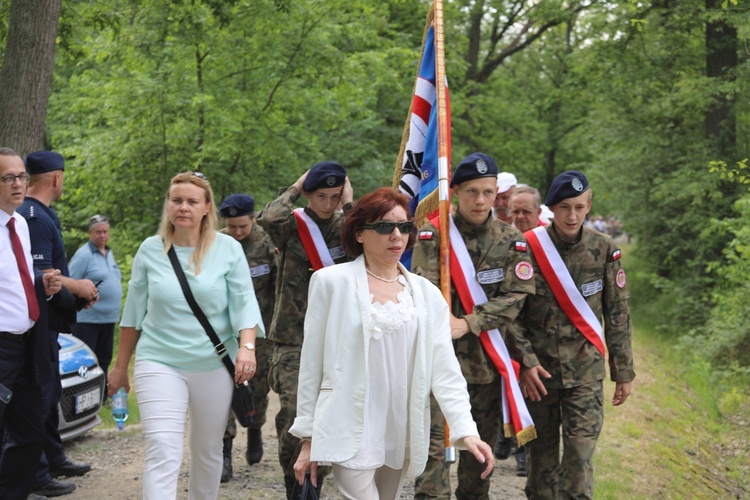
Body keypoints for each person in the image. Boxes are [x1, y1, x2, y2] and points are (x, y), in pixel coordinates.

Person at [290, 187, 495, 499]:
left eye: (404, 227)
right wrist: (307, 438)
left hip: (401, 426)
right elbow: (311, 365)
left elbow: (445, 370)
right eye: (385, 227)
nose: (397, 236)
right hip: (348, 424)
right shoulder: (331, 282)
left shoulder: (426, 293)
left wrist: (467, 430)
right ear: (359, 233)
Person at [107, 171, 264, 499]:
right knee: (162, 447)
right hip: (159, 360)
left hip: (213, 364)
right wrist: (120, 368)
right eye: (176, 200)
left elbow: (244, 304)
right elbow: (133, 315)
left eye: (192, 201)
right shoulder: (150, 250)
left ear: (207, 207)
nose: (183, 207)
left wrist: (246, 348)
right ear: (168, 204)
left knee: (208, 450)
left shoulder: (228, 250)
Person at [412, 153, 534, 499]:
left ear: (498, 194)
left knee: (478, 465)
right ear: (455, 192)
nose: (480, 200)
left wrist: (468, 323)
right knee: (433, 462)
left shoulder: (512, 240)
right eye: (471, 192)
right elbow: (424, 292)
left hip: (486, 368)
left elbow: (516, 298)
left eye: (487, 192)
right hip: (438, 366)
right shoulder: (434, 234)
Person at [510, 170, 635, 499]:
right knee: (541, 466)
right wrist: (526, 362)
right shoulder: (528, 250)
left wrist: (623, 372)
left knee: (579, 461)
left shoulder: (604, 249)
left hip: (585, 375)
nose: (572, 215)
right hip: (540, 375)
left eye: (580, 207)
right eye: (564, 207)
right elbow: (512, 316)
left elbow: (617, 313)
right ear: (552, 208)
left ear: (589, 207)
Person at [256, 161, 353, 499]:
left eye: (335, 196)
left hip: (337, 338)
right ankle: (294, 489)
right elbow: (267, 218)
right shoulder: (293, 226)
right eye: (321, 196)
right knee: (295, 419)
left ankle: (315, 485)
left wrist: (350, 202)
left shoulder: (348, 229)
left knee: (329, 419)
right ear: (309, 195)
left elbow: (374, 234)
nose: (328, 203)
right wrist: (297, 185)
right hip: (293, 340)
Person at [17, 151, 96, 498]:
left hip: (49, 322)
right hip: (36, 325)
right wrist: (76, 288)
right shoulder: (33, 217)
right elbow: (41, 278)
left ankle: (53, 457)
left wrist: (76, 296)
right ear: (56, 178)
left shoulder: (44, 215)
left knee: (49, 394)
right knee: (39, 395)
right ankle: (36, 474)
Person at [0, 147, 63, 500]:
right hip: (1, 344)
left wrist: (44, 284)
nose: (18, 183)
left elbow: (15, 278)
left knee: (29, 430)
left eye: (21, 176)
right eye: (8, 177)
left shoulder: (20, 223)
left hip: (27, 341)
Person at [218, 194, 277, 482]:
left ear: (252, 219)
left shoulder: (267, 243)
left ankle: (255, 430)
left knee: (257, 388)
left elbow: (279, 286)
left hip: (259, 332)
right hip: (223, 334)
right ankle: (224, 453)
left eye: (242, 226)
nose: (238, 232)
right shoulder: (216, 244)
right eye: (232, 227)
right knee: (223, 391)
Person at [69, 214, 123, 397]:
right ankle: (84, 394)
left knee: (105, 358)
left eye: (105, 232)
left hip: (108, 319)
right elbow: (71, 282)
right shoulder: (83, 255)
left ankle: (101, 396)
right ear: (90, 233)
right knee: (87, 361)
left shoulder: (109, 253)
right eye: (98, 232)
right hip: (88, 320)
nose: (102, 235)